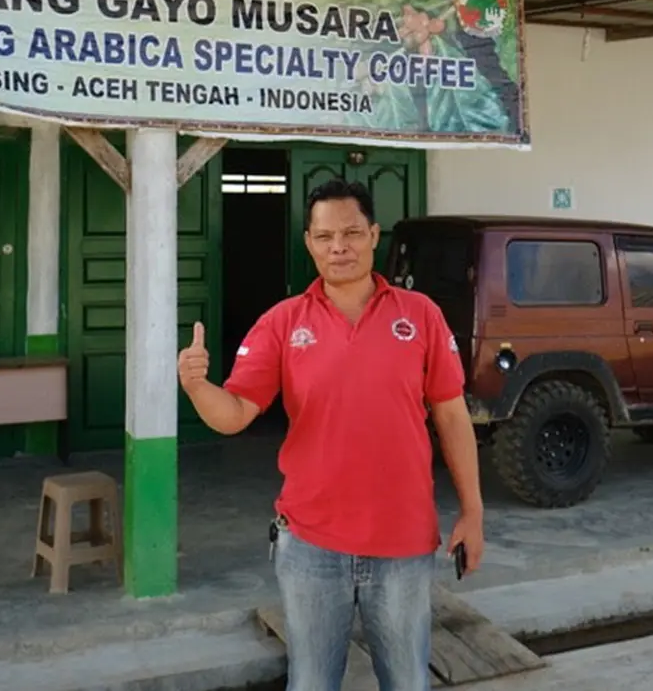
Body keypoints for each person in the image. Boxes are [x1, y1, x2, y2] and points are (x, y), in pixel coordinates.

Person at [178, 178, 485, 691]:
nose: (338, 247)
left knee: (408, 681)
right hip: (311, 546)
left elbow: (452, 417)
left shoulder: (421, 315)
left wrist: (472, 512)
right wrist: (195, 385)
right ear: (308, 242)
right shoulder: (282, 322)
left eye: (351, 233)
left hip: (403, 542)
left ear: (373, 234)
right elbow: (232, 415)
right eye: (324, 237)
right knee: (312, 683)